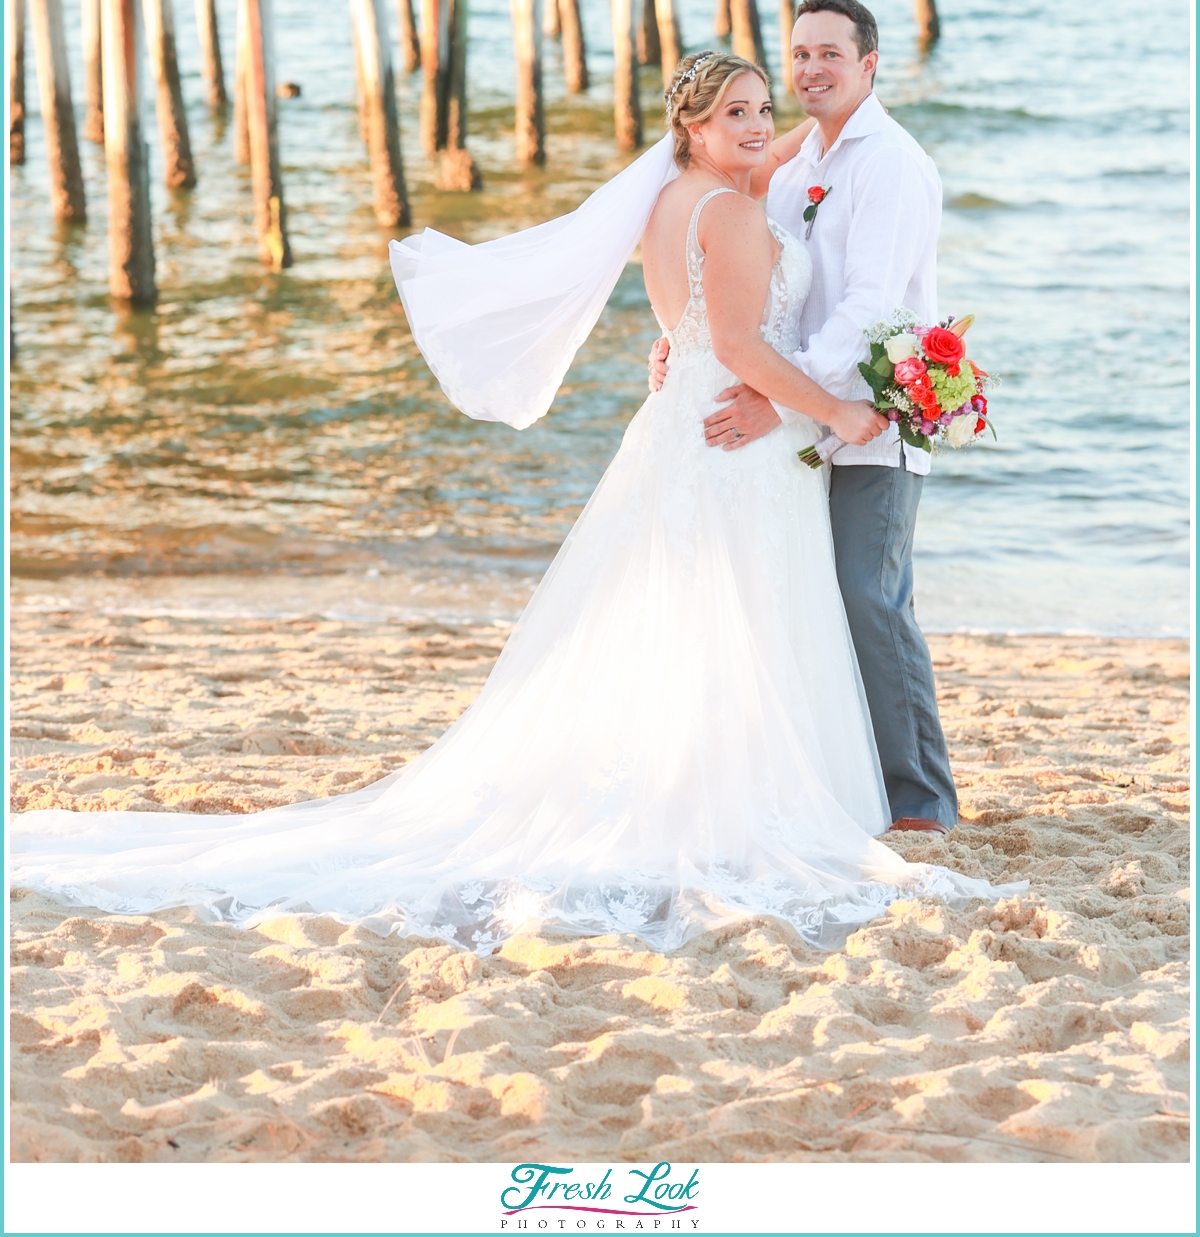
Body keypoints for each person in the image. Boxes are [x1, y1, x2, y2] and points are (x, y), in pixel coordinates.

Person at [12, 54, 1011, 952]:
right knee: (744, 616)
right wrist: (838, 405)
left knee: (679, 614)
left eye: (765, 110)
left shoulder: (673, 199)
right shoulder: (738, 212)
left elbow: (704, 312)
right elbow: (746, 350)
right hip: (733, 437)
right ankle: (734, 796)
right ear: (694, 128)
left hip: (675, 431)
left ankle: (680, 779)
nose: (759, 128)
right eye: (738, 114)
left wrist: (811, 130)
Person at [650, 0, 958, 834]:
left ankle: (921, 802)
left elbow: (868, 307)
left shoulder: (889, 164)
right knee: (805, 606)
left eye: (830, 53)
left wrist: (776, 397)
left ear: (869, 64)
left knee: (870, 597)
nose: (811, 68)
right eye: (799, 55)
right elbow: (732, 278)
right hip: (795, 421)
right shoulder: (790, 163)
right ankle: (835, 785)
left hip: (865, 417)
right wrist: (680, 342)